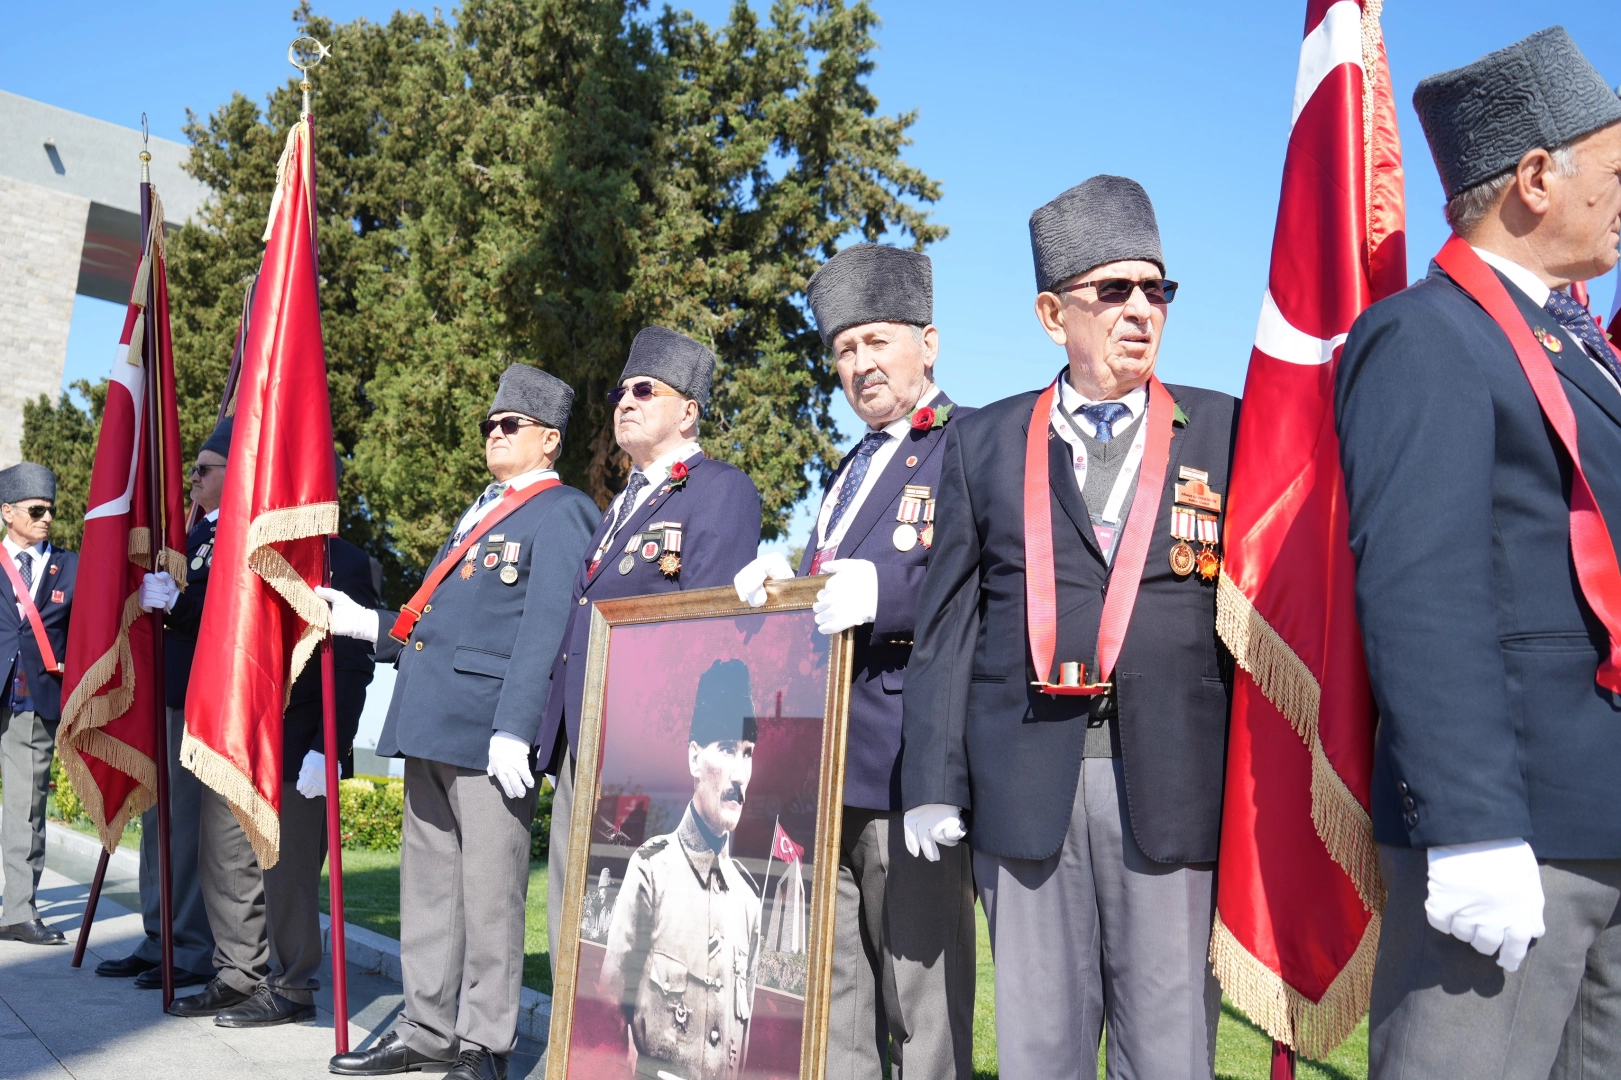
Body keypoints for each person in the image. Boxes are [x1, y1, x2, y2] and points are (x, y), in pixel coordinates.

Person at [901, 176, 1237, 1079]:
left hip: (1174, 785)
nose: (1140, 309)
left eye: (1156, 289)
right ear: (1054, 314)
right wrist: (932, 780)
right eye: (1113, 290)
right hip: (1024, 783)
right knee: (1040, 1051)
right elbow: (948, 624)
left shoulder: (1225, 428)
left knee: (1169, 1053)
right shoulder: (983, 440)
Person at [1337, 28, 1621, 1079]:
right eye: (1616, 173)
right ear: (1537, 178)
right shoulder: (1428, 335)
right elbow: (1423, 589)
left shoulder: (1583, 350)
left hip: (1598, 816)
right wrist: (1468, 824)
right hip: (1515, 835)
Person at [732, 243, 975, 1078]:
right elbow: (830, 595)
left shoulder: (968, 442)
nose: (860, 363)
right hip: (823, 763)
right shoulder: (851, 466)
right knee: (833, 1000)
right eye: (843, 349)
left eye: (876, 340)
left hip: (909, 761)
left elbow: (989, 584)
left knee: (919, 1003)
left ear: (927, 343)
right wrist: (784, 587)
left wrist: (891, 595)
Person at [325, 364, 598, 1080]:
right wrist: (369, 624)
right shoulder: (481, 510)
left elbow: (546, 628)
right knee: (430, 890)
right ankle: (426, 1029)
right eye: (489, 424)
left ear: (549, 439)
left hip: (488, 731)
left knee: (490, 894)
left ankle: (484, 1043)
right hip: (431, 720)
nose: (493, 433)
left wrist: (516, 727)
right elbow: (441, 624)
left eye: (510, 424)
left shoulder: (561, 510)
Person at [539, 327, 762, 977]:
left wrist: (666, 753)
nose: (624, 403)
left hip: (645, 750)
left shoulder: (719, 490)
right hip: (586, 738)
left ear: (688, 410)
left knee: (631, 934)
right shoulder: (623, 505)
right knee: (573, 921)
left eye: (643, 390)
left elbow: (710, 635)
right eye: (619, 394)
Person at [166, 516, 382, 1024]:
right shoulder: (242, 556)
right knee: (225, 860)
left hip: (298, 738)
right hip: (237, 731)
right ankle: (238, 973)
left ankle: (293, 985)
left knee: (289, 872)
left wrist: (329, 746)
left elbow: (352, 664)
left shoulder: (345, 561)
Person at [96, 422, 231, 986]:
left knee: (187, 828)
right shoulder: (198, 533)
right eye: (192, 468)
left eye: (203, 469)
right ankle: (160, 936)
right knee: (159, 823)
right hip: (169, 693)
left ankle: (191, 946)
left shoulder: (237, 534)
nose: (192, 478)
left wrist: (179, 604)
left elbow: (229, 613)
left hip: (201, 698)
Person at [598, 658, 762, 1080]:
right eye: (726, 749)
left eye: (747, 753)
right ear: (693, 758)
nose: (739, 774)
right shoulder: (652, 872)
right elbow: (609, 1014)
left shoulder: (747, 900)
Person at [0, 463, 77, 946]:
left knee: (25, 808)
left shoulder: (72, 566)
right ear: (8, 512)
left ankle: (17, 911)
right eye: (35, 509)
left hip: (32, 699)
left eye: (50, 509)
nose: (46, 517)